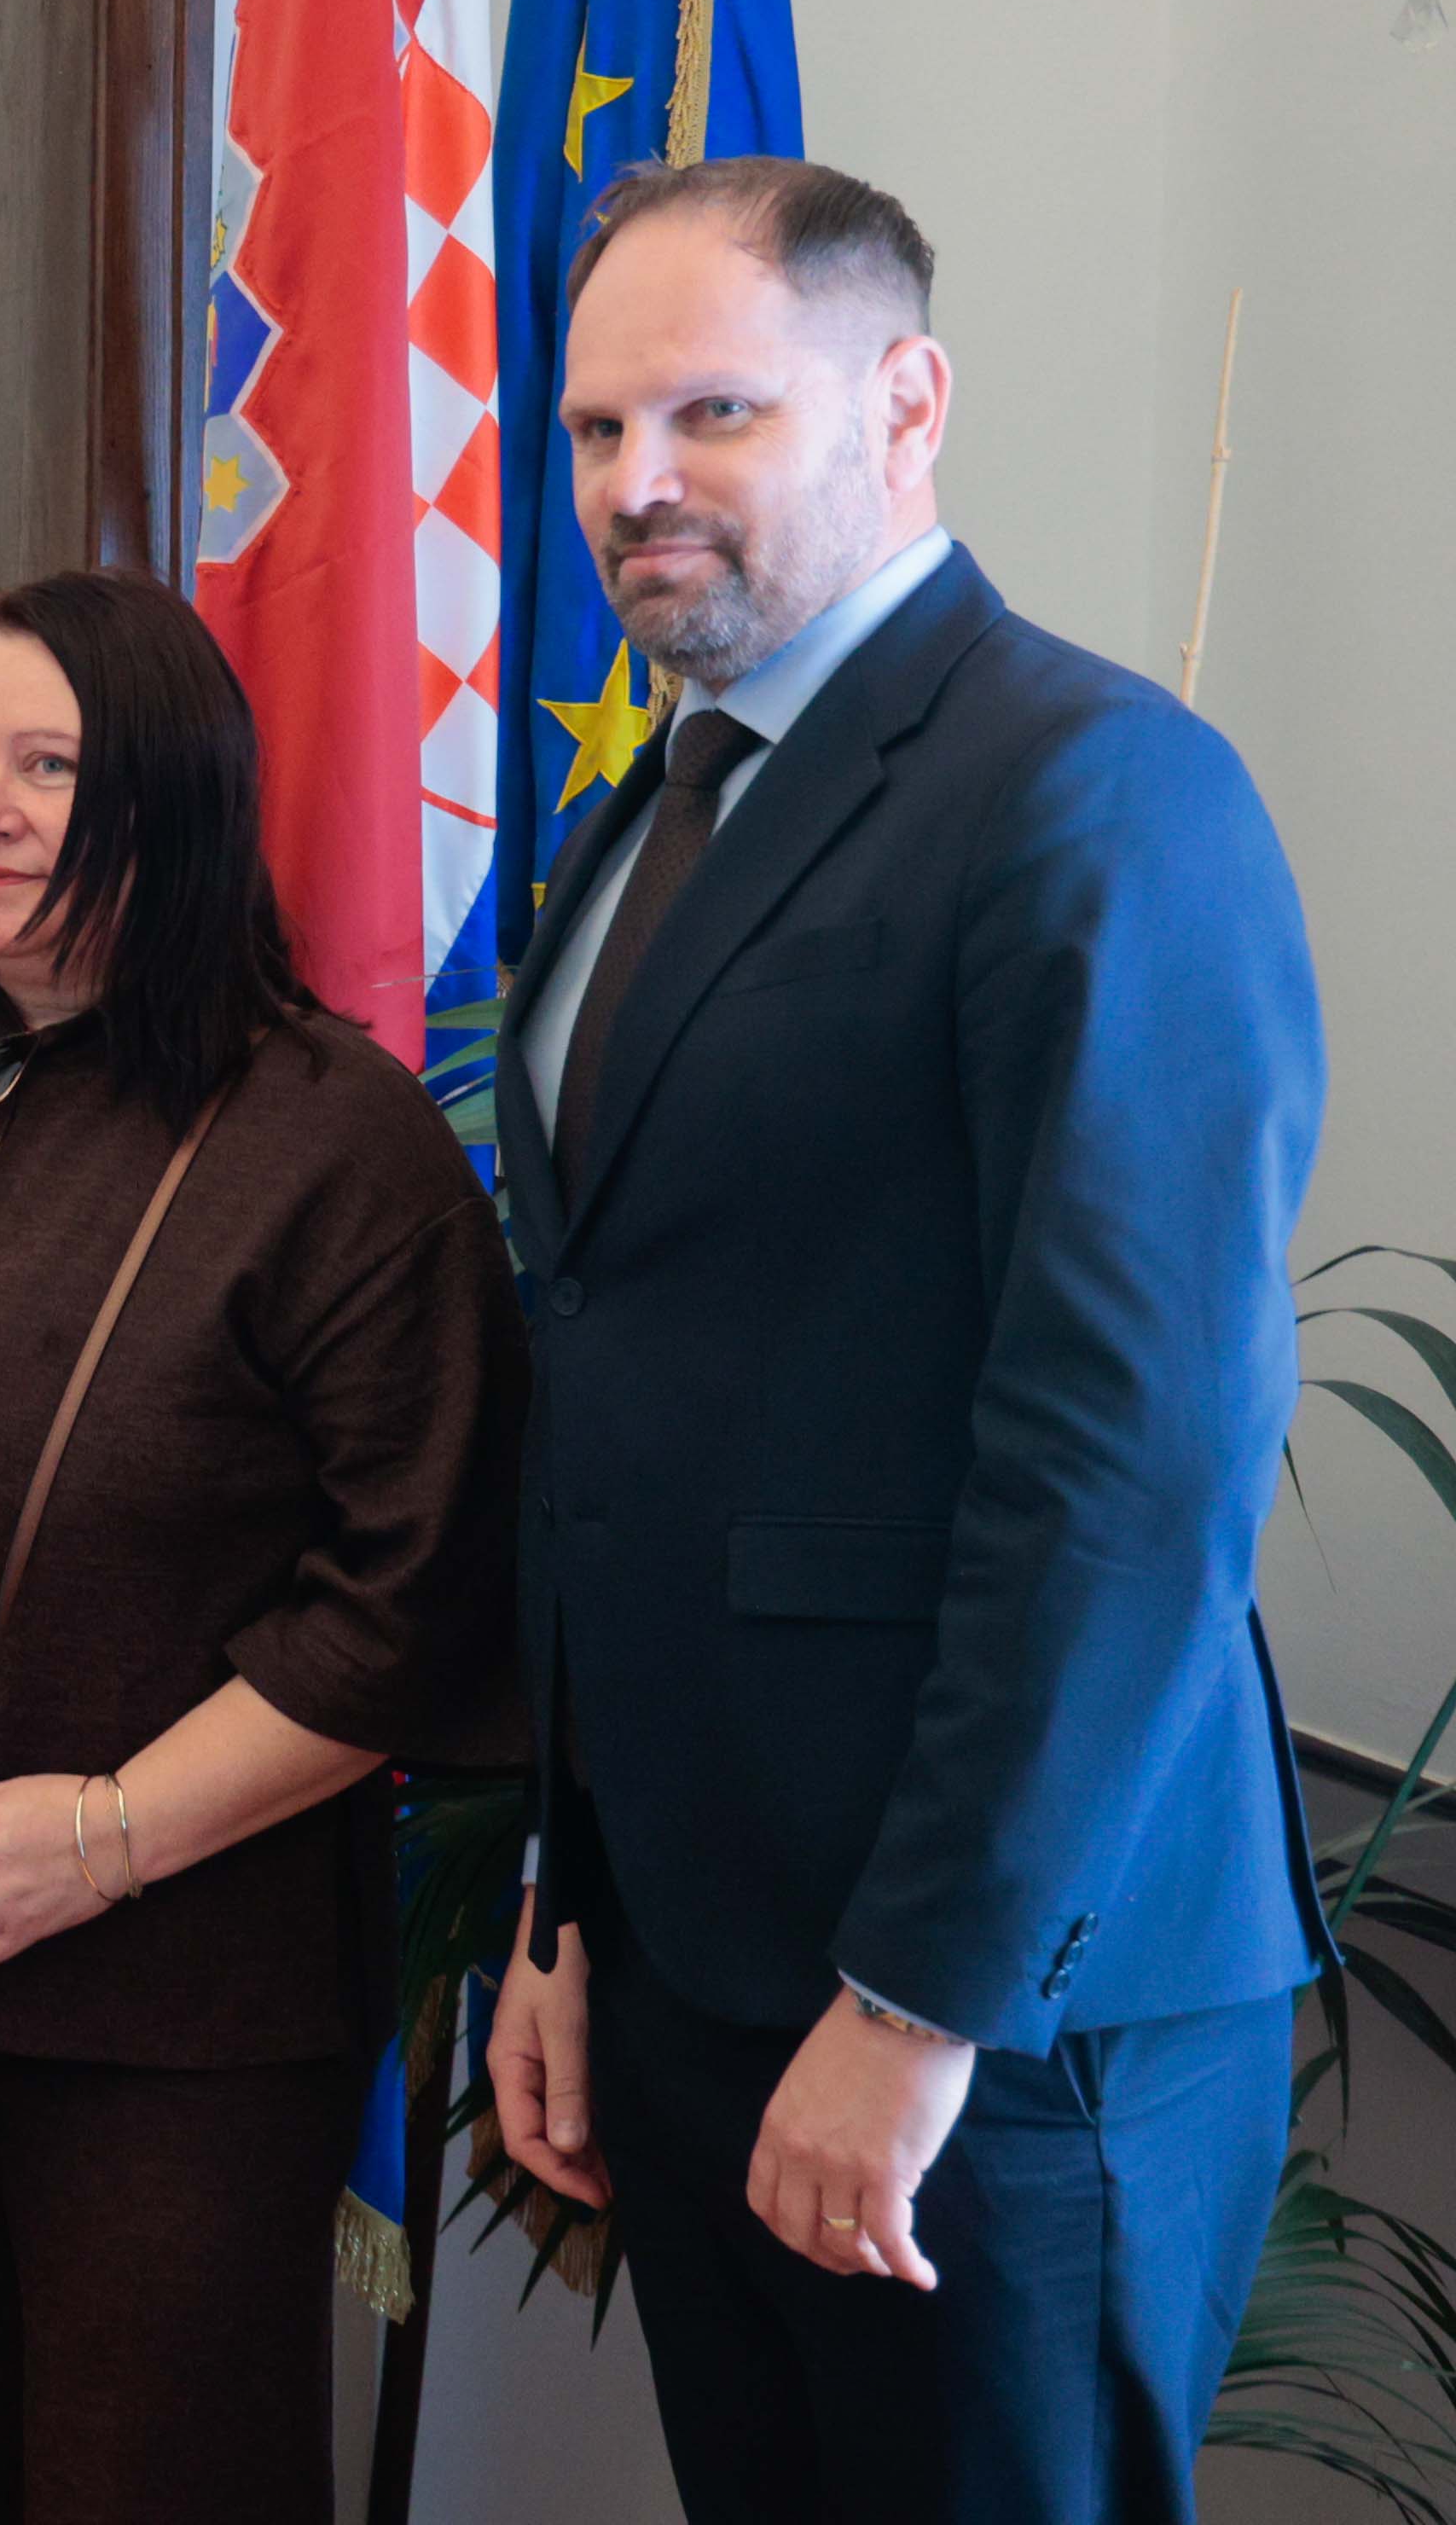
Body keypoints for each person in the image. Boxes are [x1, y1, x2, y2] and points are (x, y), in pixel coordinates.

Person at [481, 159, 1327, 2525]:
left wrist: (920, 1999)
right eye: (594, 429)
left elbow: (1134, 1462)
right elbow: (623, 1400)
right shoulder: (654, 821)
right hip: (690, 1961)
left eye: (714, 414)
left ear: (909, 403)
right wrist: (568, 1907)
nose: (633, 484)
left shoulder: (1094, 791)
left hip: (993, 2010)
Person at [0, 568, 526, 2524]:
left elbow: (414, 1598)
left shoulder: (333, 1139)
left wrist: (101, 1838)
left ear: (175, 793)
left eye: (50, 768)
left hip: (185, 2016)